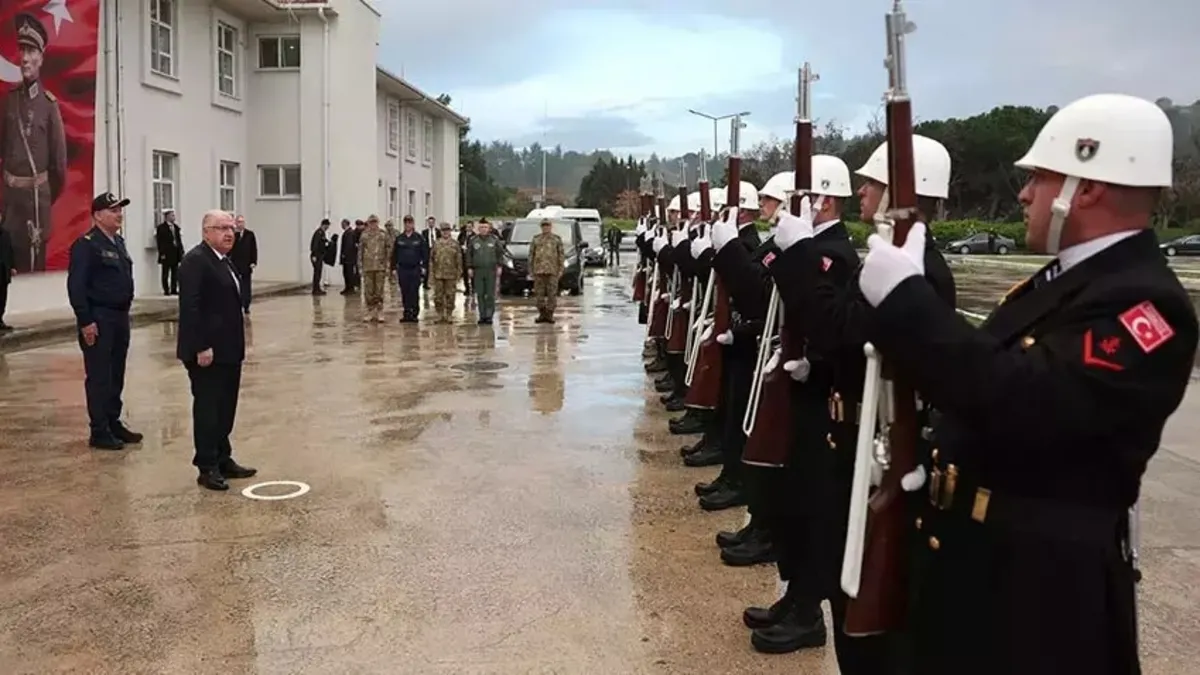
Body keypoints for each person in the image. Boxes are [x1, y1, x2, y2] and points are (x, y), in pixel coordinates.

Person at [859, 95, 1196, 675]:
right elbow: (981, 378)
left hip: (1038, 599)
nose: (1023, 195)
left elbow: (1029, 400)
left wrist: (908, 303)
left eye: (1039, 177)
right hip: (980, 569)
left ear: (1083, 189)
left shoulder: (1147, 304)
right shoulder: (1069, 281)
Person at [176, 210, 257, 491]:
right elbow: (191, 307)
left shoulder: (224, 261)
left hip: (229, 350)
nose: (228, 233)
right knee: (209, 408)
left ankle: (223, 458)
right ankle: (207, 465)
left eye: (231, 228)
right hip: (207, 352)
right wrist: (201, 345)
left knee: (225, 407)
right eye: (221, 228)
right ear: (205, 232)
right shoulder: (196, 261)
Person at [66, 192, 142, 450]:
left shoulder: (117, 242)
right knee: (99, 375)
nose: (119, 214)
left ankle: (112, 421)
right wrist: (85, 320)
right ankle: (99, 430)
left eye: (120, 210)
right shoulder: (86, 245)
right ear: (98, 215)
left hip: (119, 316)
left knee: (115, 373)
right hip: (99, 317)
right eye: (113, 210)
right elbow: (76, 286)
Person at [0, 13, 67, 273]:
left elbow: (59, 168)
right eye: (22, 50)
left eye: (31, 51)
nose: (25, 58)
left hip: (35, 204)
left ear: (41, 57)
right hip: (10, 202)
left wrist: (41, 191)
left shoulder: (50, 106)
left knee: (31, 270)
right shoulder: (10, 99)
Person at [466, 218, 505, 324]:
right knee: (480, 294)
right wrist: (469, 267)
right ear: (478, 228)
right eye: (482, 227)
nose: (483, 229)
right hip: (478, 271)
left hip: (491, 270)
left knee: (490, 294)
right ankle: (482, 315)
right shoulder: (473, 240)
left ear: (489, 228)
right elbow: (469, 254)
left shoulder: (494, 240)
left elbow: (500, 254)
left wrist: (500, 266)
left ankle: (489, 316)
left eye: (485, 227)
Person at [528, 218, 566, 323]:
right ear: (541, 227)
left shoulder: (556, 239)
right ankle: (542, 314)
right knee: (539, 294)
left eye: (547, 225)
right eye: (544, 226)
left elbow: (561, 255)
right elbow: (531, 255)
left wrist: (561, 269)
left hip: (552, 271)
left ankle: (549, 314)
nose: (546, 227)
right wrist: (531, 270)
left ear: (551, 226)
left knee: (552, 294)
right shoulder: (536, 239)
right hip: (538, 271)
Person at [393, 215, 428, 322]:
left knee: (414, 291)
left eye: (410, 223)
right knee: (405, 292)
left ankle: (414, 313)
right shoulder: (399, 238)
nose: (408, 225)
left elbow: (425, 253)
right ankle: (407, 313)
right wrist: (393, 268)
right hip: (403, 269)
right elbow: (394, 254)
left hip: (415, 269)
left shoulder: (419, 238)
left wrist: (424, 267)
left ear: (413, 224)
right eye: (406, 223)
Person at [357, 215, 390, 322]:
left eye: (375, 222)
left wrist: (388, 265)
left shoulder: (383, 235)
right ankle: (370, 311)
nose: (373, 224)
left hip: (380, 267)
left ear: (378, 222)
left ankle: (380, 311)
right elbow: (360, 251)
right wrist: (360, 266)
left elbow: (388, 250)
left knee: (379, 291)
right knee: (368, 291)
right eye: (371, 222)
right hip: (368, 267)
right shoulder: (364, 235)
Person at [429, 222, 462, 322]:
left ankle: (449, 314)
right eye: (443, 230)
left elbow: (459, 260)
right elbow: (431, 259)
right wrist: (431, 274)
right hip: (438, 274)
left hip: (451, 275)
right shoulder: (436, 243)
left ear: (450, 231)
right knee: (438, 296)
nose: (445, 232)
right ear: (441, 232)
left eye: (447, 230)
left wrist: (459, 274)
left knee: (450, 296)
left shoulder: (455, 244)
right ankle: (439, 314)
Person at [229, 215, 257, 314]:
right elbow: (230, 249)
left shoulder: (250, 235)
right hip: (236, 264)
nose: (240, 224)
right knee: (237, 285)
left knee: (246, 285)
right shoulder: (233, 235)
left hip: (246, 264)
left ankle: (246, 305)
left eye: (242, 222)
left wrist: (253, 261)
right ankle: (238, 303)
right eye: (238, 222)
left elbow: (253, 249)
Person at [155, 209, 184, 295]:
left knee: (175, 272)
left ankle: (174, 289)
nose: (173, 217)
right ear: (167, 217)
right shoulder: (161, 228)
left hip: (175, 252)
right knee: (165, 272)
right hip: (167, 253)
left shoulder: (176, 227)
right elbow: (160, 242)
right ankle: (166, 289)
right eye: (172, 215)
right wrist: (162, 253)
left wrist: (181, 251)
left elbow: (178, 240)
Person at [338, 218, 358, 295]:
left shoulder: (349, 233)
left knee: (349, 273)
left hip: (349, 258)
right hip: (348, 258)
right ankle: (348, 287)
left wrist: (344, 255)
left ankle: (350, 288)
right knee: (346, 273)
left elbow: (348, 245)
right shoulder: (348, 232)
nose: (341, 226)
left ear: (345, 224)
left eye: (342, 224)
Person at [309, 219, 329, 295]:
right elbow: (315, 244)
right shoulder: (319, 232)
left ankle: (317, 288)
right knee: (317, 273)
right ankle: (315, 290)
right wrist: (314, 255)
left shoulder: (322, 233)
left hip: (320, 255)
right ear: (324, 225)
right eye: (327, 226)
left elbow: (323, 242)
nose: (328, 228)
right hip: (316, 255)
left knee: (318, 272)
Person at [0, 223, 13, 331]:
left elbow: (10, 251)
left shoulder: (5, 234)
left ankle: (0, 320)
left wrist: (12, 266)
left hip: (4, 272)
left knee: (2, 298)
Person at [422, 216, 437, 289]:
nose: (431, 224)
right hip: (427, 250)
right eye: (429, 222)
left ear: (434, 223)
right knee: (426, 267)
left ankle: (436, 282)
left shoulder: (438, 231)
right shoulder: (424, 232)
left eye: (432, 222)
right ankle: (425, 283)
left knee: (436, 266)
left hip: (436, 250)